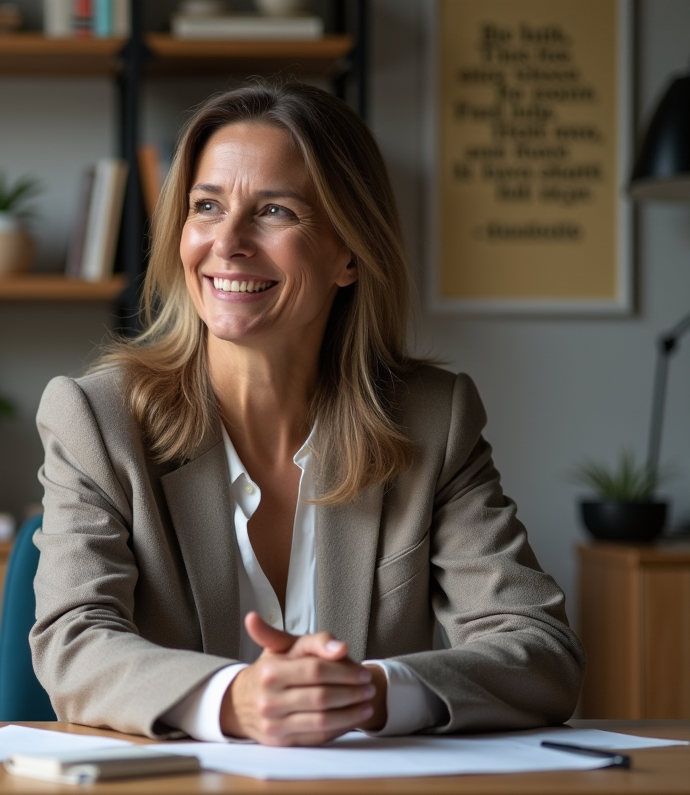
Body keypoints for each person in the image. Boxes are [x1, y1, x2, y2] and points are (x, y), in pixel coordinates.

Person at [31, 81, 584, 746]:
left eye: (274, 211)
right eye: (207, 207)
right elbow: (72, 642)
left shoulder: (432, 421)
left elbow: (540, 651)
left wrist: (369, 693)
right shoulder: (97, 419)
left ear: (347, 253)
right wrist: (232, 700)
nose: (228, 242)